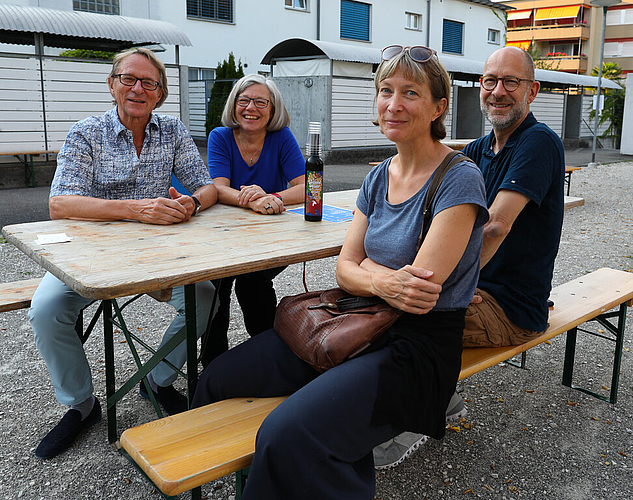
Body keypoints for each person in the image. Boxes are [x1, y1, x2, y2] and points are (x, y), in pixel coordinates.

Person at [191, 45, 489, 499]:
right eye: (385, 90)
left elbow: (417, 292)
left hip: (415, 347)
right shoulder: (378, 175)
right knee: (216, 377)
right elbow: (344, 270)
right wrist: (378, 277)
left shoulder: (458, 177)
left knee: (289, 434)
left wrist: (368, 271)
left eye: (410, 92)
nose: (394, 103)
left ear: (438, 107)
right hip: (353, 321)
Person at [374, 46, 565, 468]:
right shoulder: (479, 149)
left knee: (398, 323)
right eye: (489, 81)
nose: (498, 91)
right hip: (476, 289)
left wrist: (453, 282)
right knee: (381, 307)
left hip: (512, 305)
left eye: (510, 82)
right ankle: (440, 398)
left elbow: (496, 225)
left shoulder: (539, 143)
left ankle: (413, 420)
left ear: (532, 90)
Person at [28, 47, 218, 460]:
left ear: (160, 94)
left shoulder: (172, 130)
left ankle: (158, 380)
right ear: (112, 85)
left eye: (149, 83)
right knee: (45, 309)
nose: (138, 88)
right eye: (128, 79)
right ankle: (82, 404)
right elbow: (60, 204)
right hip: (88, 254)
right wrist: (137, 209)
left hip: (156, 254)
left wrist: (192, 204)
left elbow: (207, 186)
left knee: (205, 296)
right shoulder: (86, 131)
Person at [199, 74, 305, 367]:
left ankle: (269, 361)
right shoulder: (220, 136)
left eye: (261, 102)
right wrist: (256, 200)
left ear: (272, 110)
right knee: (216, 287)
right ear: (234, 106)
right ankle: (213, 366)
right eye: (243, 101)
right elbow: (218, 188)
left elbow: (307, 187)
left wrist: (273, 197)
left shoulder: (281, 137)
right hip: (226, 236)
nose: (251, 108)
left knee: (252, 282)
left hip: (270, 237)